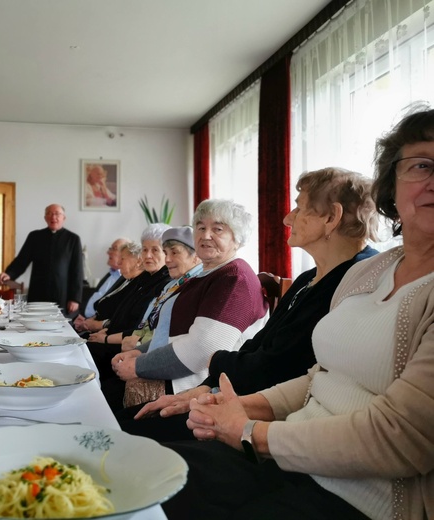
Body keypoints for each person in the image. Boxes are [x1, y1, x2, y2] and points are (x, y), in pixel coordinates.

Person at [161, 109, 434, 519]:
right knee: (150, 476)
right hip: (290, 458)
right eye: (422, 165)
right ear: (392, 185)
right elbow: (318, 375)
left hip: (362, 497)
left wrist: (251, 432)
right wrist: (241, 408)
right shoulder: (368, 271)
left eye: (299, 207)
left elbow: (401, 437)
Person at [117, 167, 379, 441]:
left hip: (274, 418)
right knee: (122, 423)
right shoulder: (309, 278)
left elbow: (278, 366)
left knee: (122, 431)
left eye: (299, 208)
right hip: (239, 391)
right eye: (200, 228)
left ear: (332, 217)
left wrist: (212, 374)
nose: (288, 217)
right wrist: (203, 389)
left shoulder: (355, 281)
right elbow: (261, 346)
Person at [110, 201, 268, 408]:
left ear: (237, 239)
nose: (206, 235)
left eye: (217, 229)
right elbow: (173, 333)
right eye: (201, 228)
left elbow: (202, 351)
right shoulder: (206, 275)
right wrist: (140, 351)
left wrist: (138, 366)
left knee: (102, 404)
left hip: (199, 389)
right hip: (180, 376)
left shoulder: (234, 279)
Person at [86, 223, 172, 409]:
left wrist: (106, 338)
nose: (148, 255)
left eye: (155, 250)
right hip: (116, 341)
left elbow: (141, 328)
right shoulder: (145, 277)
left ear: (167, 252)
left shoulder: (165, 282)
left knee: (85, 357)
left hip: (127, 348)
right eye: (145, 250)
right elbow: (117, 310)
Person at [0, 204, 83, 314]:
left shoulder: (73, 239)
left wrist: (75, 298)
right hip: (38, 291)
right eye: (49, 213)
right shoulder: (35, 236)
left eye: (57, 214)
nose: (53, 217)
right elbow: (22, 260)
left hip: (62, 293)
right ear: (45, 218)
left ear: (64, 218)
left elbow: (77, 271)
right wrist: (9, 273)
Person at [74, 237, 128, 331]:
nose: (109, 252)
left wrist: (88, 322)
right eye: (110, 248)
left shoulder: (125, 279)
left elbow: (112, 311)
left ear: (125, 255)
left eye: (114, 249)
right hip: (84, 320)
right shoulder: (110, 274)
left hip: (99, 328)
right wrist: (82, 316)